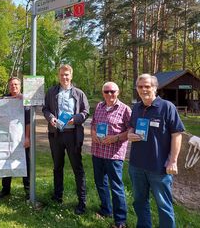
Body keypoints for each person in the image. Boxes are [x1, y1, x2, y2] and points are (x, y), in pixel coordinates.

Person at [128, 74, 184, 228]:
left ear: (155, 87)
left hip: (159, 167)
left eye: (147, 86)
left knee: (163, 205)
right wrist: (129, 134)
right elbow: (131, 127)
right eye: (140, 86)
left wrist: (173, 161)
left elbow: (177, 134)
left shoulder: (167, 107)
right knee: (139, 201)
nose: (144, 89)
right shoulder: (136, 107)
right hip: (136, 165)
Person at [42, 64, 89, 215]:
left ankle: (82, 202)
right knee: (57, 167)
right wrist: (50, 118)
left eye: (67, 74)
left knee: (78, 168)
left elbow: (86, 112)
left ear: (71, 76)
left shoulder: (79, 93)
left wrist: (75, 119)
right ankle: (57, 196)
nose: (64, 77)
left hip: (73, 135)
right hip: (56, 135)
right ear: (58, 76)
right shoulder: (51, 92)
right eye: (62, 75)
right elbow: (45, 109)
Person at [91, 82, 131, 228]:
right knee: (100, 183)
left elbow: (131, 130)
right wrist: (93, 133)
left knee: (116, 186)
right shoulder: (99, 107)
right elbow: (93, 123)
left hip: (114, 155)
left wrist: (116, 138)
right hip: (97, 152)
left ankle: (120, 220)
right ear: (103, 93)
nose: (109, 94)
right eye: (106, 92)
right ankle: (106, 210)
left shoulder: (125, 109)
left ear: (118, 92)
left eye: (112, 91)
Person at [0, 77, 30, 200]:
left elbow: (28, 122)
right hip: (6, 138)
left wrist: (27, 137)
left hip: (22, 139)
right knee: (6, 163)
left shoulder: (26, 100)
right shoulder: (3, 100)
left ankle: (28, 191)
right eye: (11, 85)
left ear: (20, 86)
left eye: (16, 84)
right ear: (9, 86)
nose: (13, 87)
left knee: (25, 164)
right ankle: (5, 189)